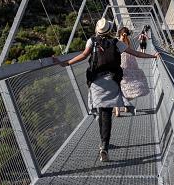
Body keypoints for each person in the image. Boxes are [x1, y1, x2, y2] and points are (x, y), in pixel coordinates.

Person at [53, 18, 159, 162]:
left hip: (96, 82)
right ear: (110, 30)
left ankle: (102, 141)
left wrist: (65, 63)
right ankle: (104, 146)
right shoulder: (117, 43)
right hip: (111, 81)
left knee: (101, 111)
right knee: (107, 114)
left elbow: (83, 55)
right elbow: (136, 53)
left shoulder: (92, 41)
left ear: (98, 29)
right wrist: (153, 56)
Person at [114, 27, 150, 117]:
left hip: (120, 65)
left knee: (117, 86)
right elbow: (134, 53)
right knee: (128, 86)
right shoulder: (128, 41)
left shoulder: (116, 42)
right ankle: (126, 106)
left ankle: (117, 111)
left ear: (119, 33)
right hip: (129, 64)